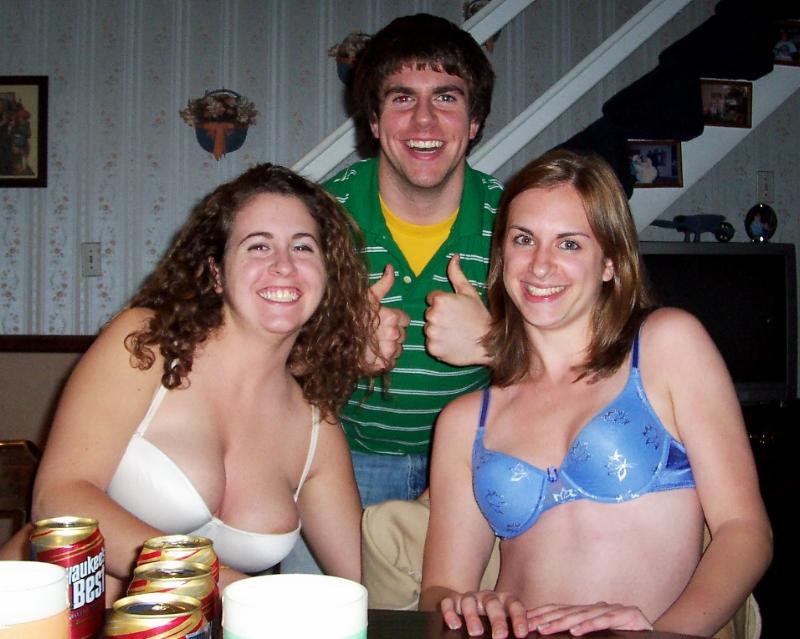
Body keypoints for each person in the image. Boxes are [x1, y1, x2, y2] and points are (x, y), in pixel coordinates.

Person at [420, 149, 772, 638]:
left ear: (609, 262)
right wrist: (464, 604)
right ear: (502, 257)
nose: (540, 265)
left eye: (569, 243)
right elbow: (438, 592)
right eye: (524, 239)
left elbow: (745, 530)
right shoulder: (464, 421)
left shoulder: (668, 346)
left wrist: (666, 637)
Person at [1, 164, 372, 603]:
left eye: (303, 247)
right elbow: (58, 499)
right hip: (39, 613)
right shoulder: (146, 345)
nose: (283, 265)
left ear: (327, 275)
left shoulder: (316, 430)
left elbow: (364, 581)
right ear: (216, 272)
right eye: (258, 246)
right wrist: (223, 584)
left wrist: (432, 508)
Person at [325, 12, 501, 507]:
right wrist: (337, 351)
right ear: (374, 120)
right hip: (343, 460)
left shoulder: (516, 222)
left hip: (475, 459)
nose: (424, 120)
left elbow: (579, 359)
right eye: (402, 98)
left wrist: (495, 344)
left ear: (474, 121)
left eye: (446, 97)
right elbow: (263, 354)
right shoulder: (318, 216)